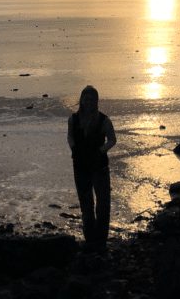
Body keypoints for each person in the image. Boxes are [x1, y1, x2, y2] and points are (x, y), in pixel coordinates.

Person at [67, 85, 116, 251]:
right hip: (80, 166)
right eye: (86, 98)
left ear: (96, 101)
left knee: (102, 203)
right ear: (81, 100)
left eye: (92, 99)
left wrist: (101, 151)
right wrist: (74, 148)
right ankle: (90, 239)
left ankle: (101, 239)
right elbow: (70, 136)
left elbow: (112, 139)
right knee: (85, 203)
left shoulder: (104, 120)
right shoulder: (73, 119)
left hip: (99, 165)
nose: (89, 102)